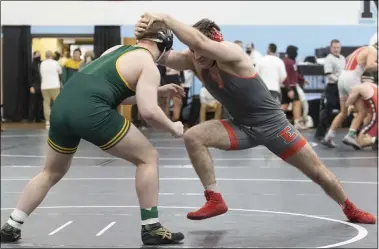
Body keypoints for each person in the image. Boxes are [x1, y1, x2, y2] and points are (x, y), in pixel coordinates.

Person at [135, 13, 376, 224]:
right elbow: (159, 56)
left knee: (318, 172)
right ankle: (215, 199)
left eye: (201, 50)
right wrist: (145, 36)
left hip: (275, 126)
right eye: (193, 51)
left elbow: (199, 42)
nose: (197, 56)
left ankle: (350, 208)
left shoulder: (232, 53)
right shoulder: (192, 57)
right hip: (241, 126)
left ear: (213, 44)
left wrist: (165, 17)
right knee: (193, 136)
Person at [0, 21, 185, 245]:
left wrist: (156, 90)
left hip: (63, 107)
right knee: (148, 157)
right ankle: (152, 227)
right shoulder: (148, 64)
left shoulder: (115, 50)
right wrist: (173, 126)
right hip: (90, 110)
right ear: (165, 46)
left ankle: (12, 225)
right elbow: (149, 112)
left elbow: (114, 93)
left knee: (50, 172)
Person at [322, 43, 378, 148]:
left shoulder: (359, 49)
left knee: (343, 112)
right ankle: (351, 135)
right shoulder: (373, 51)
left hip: (342, 78)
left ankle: (329, 136)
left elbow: (347, 59)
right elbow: (370, 65)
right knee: (363, 111)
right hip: (352, 79)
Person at [314, 40, 346, 140]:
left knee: (345, 110)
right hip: (332, 88)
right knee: (328, 110)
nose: (336, 49)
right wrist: (339, 80)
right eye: (334, 47)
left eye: (338, 47)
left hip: (342, 87)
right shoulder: (329, 59)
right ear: (331, 48)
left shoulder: (343, 58)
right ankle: (320, 134)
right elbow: (329, 74)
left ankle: (349, 133)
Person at [345, 76, 378, 149]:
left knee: (360, 142)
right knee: (371, 143)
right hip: (374, 115)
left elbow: (347, 104)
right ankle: (375, 140)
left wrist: (353, 105)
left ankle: (376, 140)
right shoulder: (376, 87)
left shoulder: (359, 87)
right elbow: (369, 114)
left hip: (376, 115)